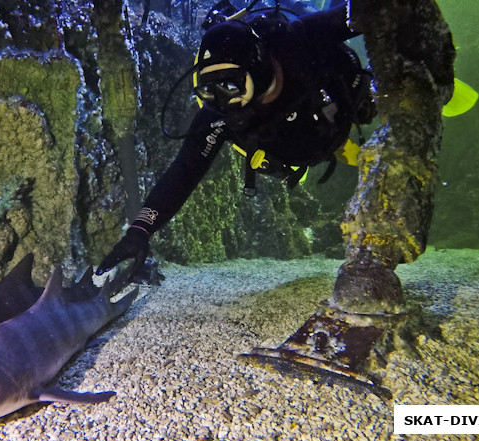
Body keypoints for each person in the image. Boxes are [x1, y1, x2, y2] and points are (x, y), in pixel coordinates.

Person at [97, 0, 375, 277]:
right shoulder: (218, 115)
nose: (221, 101)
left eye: (230, 85)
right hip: (305, 150)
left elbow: (371, 12)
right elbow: (183, 171)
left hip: (344, 118)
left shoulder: (300, 39)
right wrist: (138, 232)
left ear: (258, 69)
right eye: (209, 90)